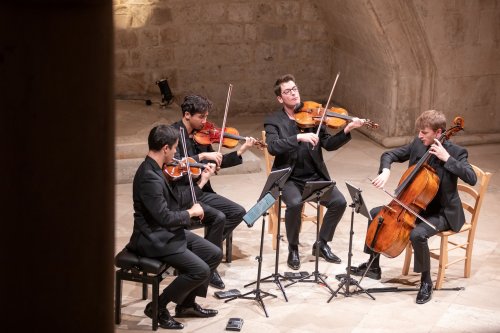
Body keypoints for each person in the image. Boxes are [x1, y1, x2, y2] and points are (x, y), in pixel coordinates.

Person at [350, 110, 477, 304]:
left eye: (424, 132)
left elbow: (472, 178)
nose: (419, 136)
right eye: (419, 132)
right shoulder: (419, 144)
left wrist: (447, 159)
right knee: (377, 214)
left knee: (417, 234)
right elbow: (389, 154)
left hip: (442, 213)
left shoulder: (457, 152)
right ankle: (373, 265)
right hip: (416, 207)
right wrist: (385, 170)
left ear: (438, 132)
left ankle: (426, 282)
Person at [264, 74, 366, 270]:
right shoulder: (274, 121)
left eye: (295, 89)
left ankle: (321, 244)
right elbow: (273, 147)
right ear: (280, 98)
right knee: (294, 204)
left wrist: (347, 130)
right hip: (290, 178)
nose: (293, 94)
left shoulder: (314, 116)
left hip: (314, 176)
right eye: (288, 91)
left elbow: (328, 144)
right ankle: (293, 248)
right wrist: (299, 138)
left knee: (340, 202)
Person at [126, 124, 223, 329]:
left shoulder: (158, 169)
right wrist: (190, 213)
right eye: (175, 148)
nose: (177, 153)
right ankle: (158, 306)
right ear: (165, 148)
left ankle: (186, 305)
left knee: (214, 254)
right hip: (153, 238)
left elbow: (176, 201)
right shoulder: (149, 177)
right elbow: (164, 217)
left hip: (168, 232)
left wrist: (201, 181)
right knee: (200, 270)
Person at [172, 94, 258, 289]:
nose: (205, 122)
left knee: (237, 212)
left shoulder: (201, 134)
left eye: (206, 117)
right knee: (218, 216)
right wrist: (202, 155)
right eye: (201, 117)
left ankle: (205, 252)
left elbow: (216, 161)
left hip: (202, 189)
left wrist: (241, 150)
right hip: (183, 193)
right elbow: (176, 164)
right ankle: (209, 265)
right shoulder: (173, 134)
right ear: (187, 115)